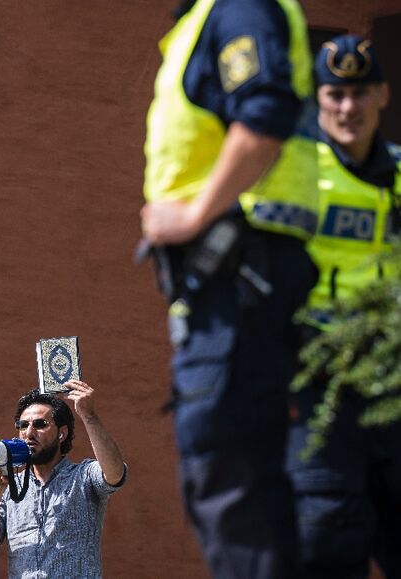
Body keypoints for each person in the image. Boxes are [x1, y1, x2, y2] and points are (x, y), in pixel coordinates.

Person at [139, 0, 319, 577]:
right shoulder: (200, 23)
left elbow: (263, 119)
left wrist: (192, 218)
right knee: (232, 483)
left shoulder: (239, 9)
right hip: (230, 287)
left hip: (241, 284)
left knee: (235, 482)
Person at [286, 34, 401, 579]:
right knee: (327, 548)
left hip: (393, 390)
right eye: (335, 94)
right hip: (319, 396)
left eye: (359, 93)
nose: (347, 107)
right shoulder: (292, 175)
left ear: (382, 94)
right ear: (319, 97)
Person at [0, 380, 127, 578]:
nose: (29, 432)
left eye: (39, 424)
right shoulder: (10, 487)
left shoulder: (83, 476)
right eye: (23, 425)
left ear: (62, 433)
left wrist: (89, 415)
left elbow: (115, 473)